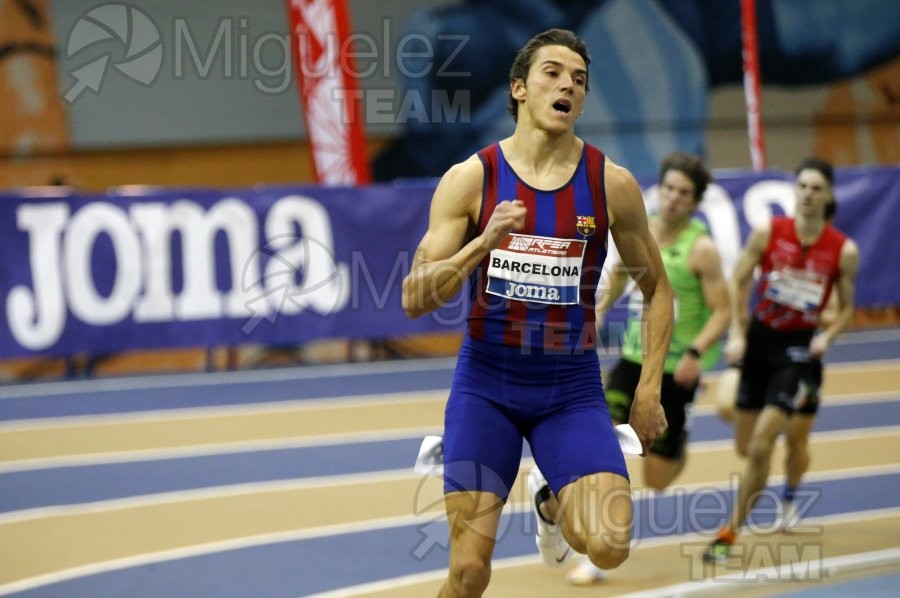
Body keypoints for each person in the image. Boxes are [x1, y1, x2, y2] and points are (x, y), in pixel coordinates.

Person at [401, 28, 673, 597]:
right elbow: (415, 297)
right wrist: (482, 243)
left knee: (609, 545)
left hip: (569, 389)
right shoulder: (471, 179)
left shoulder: (611, 184)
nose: (567, 84)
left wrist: (648, 389)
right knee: (469, 572)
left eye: (578, 79)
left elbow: (658, 290)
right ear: (520, 88)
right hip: (487, 386)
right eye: (553, 72)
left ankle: (550, 502)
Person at [565, 151, 731, 585]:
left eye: (684, 193)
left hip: (675, 371)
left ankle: (677, 443)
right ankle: (598, 547)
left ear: (695, 202)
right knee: (605, 439)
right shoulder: (642, 231)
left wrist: (696, 352)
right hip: (633, 360)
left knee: (657, 477)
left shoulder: (702, 249)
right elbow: (619, 273)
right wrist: (598, 311)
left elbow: (722, 312)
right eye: (669, 189)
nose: (674, 198)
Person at [704, 157, 859, 563]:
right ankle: (769, 450)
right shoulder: (768, 232)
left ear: (827, 195)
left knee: (772, 443)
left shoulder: (843, 251)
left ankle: (732, 530)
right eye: (802, 186)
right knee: (745, 445)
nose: (808, 194)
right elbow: (738, 279)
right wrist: (737, 332)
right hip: (759, 343)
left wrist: (827, 335)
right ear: (795, 191)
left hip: (800, 350)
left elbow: (845, 309)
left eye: (816, 188)